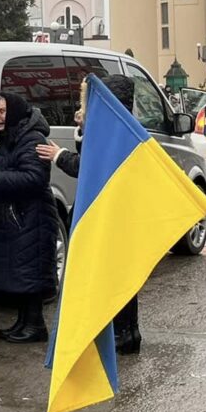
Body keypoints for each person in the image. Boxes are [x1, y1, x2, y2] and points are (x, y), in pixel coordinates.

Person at [38, 73, 147, 354]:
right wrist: (84, 128)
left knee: (111, 275)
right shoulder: (124, 127)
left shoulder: (115, 131)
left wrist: (59, 156)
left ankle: (122, 334)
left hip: (109, 214)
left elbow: (88, 168)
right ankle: (127, 332)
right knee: (120, 275)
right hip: (120, 212)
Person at [0, 92, 54, 344]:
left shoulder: (31, 140)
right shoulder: (8, 138)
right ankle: (23, 322)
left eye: (3, 111)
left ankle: (35, 325)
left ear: (15, 113)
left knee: (29, 271)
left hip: (31, 217)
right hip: (19, 216)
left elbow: (34, 178)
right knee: (21, 271)